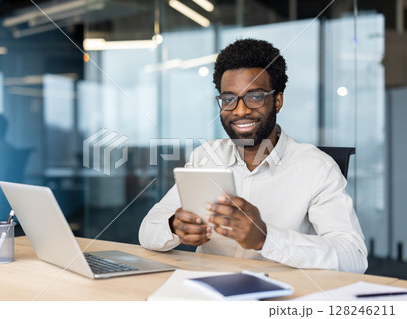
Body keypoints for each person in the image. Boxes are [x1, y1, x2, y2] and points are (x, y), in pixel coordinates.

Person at [139, 39, 368, 273]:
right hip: (208, 292)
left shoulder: (317, 168)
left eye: (255, 97)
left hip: (280, 298)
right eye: (228, 99)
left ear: (277, 101)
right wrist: (174, 226)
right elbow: (147, 230)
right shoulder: (206, 157)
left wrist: (265, 238)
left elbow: (354, 257)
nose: (240, 110)